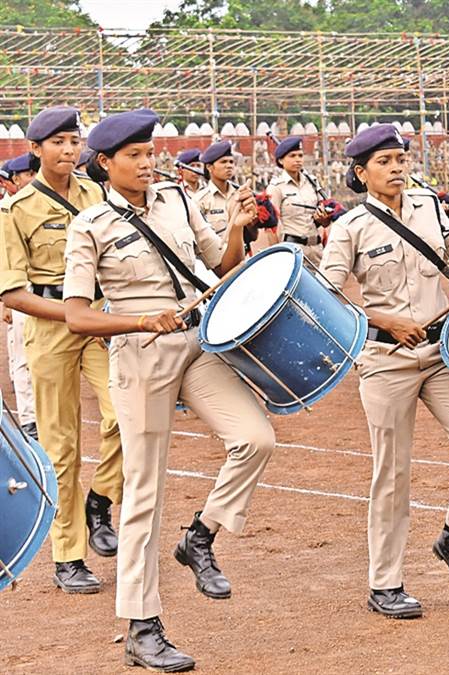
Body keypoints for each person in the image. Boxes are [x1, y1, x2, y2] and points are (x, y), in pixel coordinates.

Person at [62, 108, 273, 672]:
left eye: (149, 152)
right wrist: (138, 322)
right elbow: (77, 316)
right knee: (145, 492)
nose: (146, 162)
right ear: (105, 164)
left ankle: (199, 536)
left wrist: (233, 227)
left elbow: (219, 268)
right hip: (139, 354)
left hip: (197, 342)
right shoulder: (91, 226)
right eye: (133, 156)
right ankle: (141, 624)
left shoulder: (177, 200)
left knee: (255, 438)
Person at [320, 124, 449, 618]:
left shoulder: (428, 204)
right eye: (384, 162)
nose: (398, 168)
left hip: (438, 353)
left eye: (401, 159)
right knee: (393, 474)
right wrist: (383, 320)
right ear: (361, 173)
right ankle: (385, 584)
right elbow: (327, 298)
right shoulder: (350, 227)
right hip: (386, 361)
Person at [0, 106, 122, 593]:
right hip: (49, 328)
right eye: (58, 142)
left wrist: (100, 314)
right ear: (35, 150)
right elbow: (11, 293)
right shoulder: (15, 211)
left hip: (96, 320)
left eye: (75, 141)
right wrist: (71, 314)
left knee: (125, 416)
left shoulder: (97, 194)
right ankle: (68, 555)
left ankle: (100, 500)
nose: (70, 150)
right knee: (60, 444)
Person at [0, 152, 38, 438]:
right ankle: (29, 418)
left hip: (50, 293)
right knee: (22, 359)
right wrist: (5, 300)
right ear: (14, 180)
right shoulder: (6, 211)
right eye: (27, 175)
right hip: (20, 292)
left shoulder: (42, 205)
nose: (33, 179)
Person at [267, 135, 331, 264]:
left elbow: (323, 219)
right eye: (292, 156)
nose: (298, 160)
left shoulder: (312, 183)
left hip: (317, 250)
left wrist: (324, 218)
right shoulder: (276, 187)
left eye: (300, 156)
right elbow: (271, 227)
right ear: (280, 161)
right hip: (293, 251)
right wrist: (276, 256)